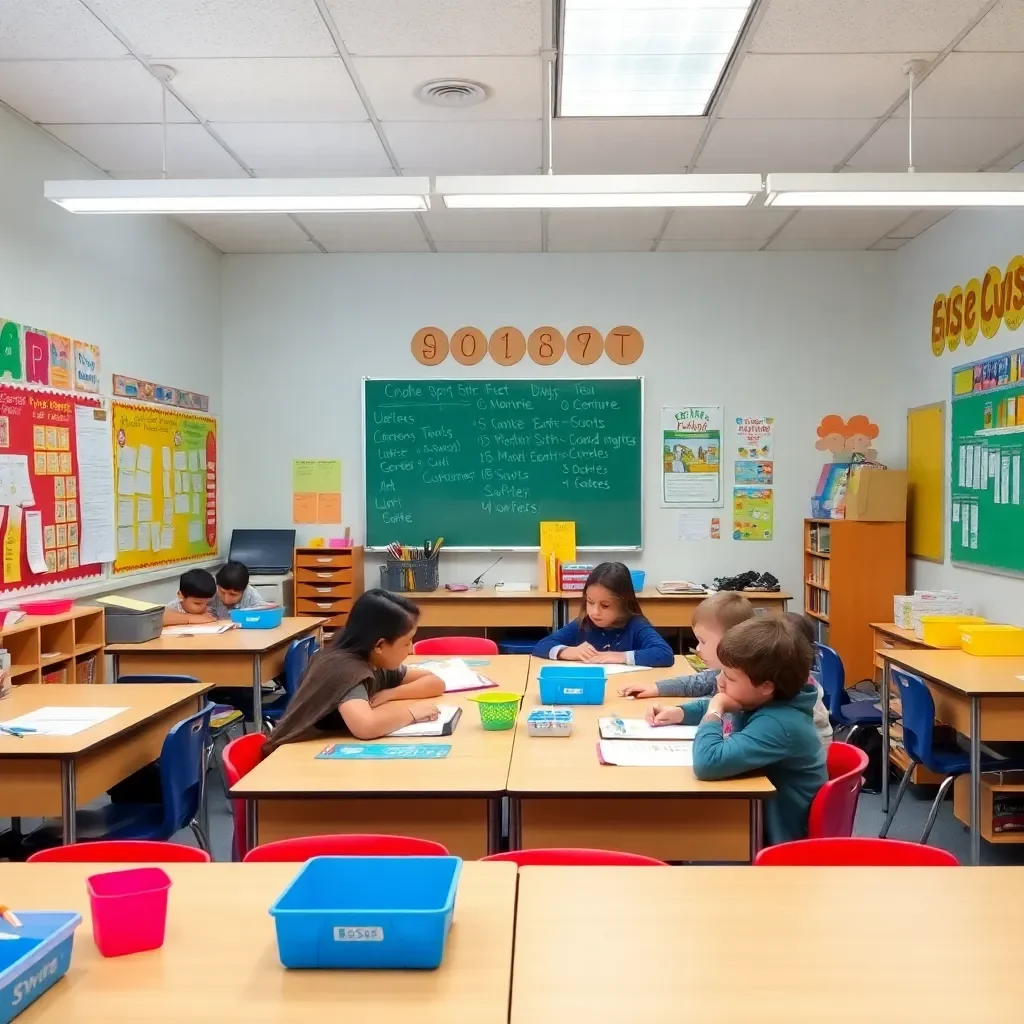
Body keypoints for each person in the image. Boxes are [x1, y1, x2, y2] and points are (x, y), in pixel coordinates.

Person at [647, 616, 827, 845]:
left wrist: (715, 710)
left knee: (669, 826)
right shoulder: (773, 699)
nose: (720, 682)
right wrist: (680, 712)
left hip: (775, 839)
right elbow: (731, 704)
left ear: (766, 686)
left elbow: (707, 763)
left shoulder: (779, 724)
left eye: (729, 677)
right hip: (758, 818)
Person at [620, 595, 832, 749]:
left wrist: (713, 715)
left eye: (703, 641)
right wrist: (677, 709)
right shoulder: (748, 679)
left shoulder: (773, 704)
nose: (698, 648)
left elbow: (711, 760)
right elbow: (708, 687)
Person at [262, 589, 445, 753]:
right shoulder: (345, 669)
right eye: (406, 642)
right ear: (380, 645)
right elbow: (366, 727)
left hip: (317, 750)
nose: (411, 649)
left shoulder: (372, 659)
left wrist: (391, 693)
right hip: (288, 757)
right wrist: (412, 713)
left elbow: (435, 683)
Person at [532, 561, 673, 667]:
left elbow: (665, 654)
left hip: (625, 691)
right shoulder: (584, 623)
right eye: (590, 602)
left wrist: (618, 657)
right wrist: (569, 652)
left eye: (605, 606)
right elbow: (541, 646)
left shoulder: (636, 625)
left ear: (624, 603)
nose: (595, 612)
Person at [620, 591, 753, 700]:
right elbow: (697, 683)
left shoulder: (748, 689)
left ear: (731, 641)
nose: (698, 648)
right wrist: (657, 688)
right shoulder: (722, 673)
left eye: (703, 641)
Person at [210, 560, 274, 619]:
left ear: (244, 590)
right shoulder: (212, 591)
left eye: (233, 594)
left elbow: (263, 616)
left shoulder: (251, 595)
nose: (226, 600)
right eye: (222, 592)